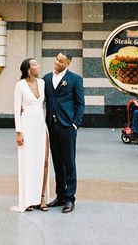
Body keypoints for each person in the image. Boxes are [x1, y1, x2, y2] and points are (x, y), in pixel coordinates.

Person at [44, 52, 85, 214]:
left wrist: (75, 124)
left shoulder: (75, 79)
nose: (57, 62)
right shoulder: (46, 78)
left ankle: (70, 198)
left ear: (67, 63)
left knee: (69, 163)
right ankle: (60, 195)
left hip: (67, 126)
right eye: (56, 59)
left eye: (60, 61)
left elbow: (80, 104)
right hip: (51, 126)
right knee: (57, 162)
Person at [11, 58, 49, 212]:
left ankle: (41, 198)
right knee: (29, 162)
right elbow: (16, 110)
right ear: (28, 69)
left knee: (44, 161)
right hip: (26, 126)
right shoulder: (20, 85)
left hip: (41, 125)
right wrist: (18, 132)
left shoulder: (42, 83)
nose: (38, 66)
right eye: (35, 65)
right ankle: (28, 199)